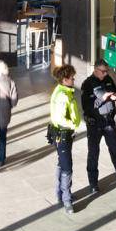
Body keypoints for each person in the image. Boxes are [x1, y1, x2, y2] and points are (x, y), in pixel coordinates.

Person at [80, 60, 116, 195]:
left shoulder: (108, 79)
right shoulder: (88, 84)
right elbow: (86, 107)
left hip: (109, 121)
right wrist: (103, 98)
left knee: (115, 148)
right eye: (103, 71)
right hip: (94, 124)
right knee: (93, 153)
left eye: (107, 71)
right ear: (96, 70)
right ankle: (93, 184)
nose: (105, 73)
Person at [48, 64, 81, 213]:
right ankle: (67, 200)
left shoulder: (62, 91)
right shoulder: (62, 96)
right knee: (67, 167)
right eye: (72, 78)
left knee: (62, 163)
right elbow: (61, 119)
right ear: (65, 79)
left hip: (62, 134)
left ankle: (60, 194)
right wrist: (74, 124)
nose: (74, 80)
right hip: (63, 134)